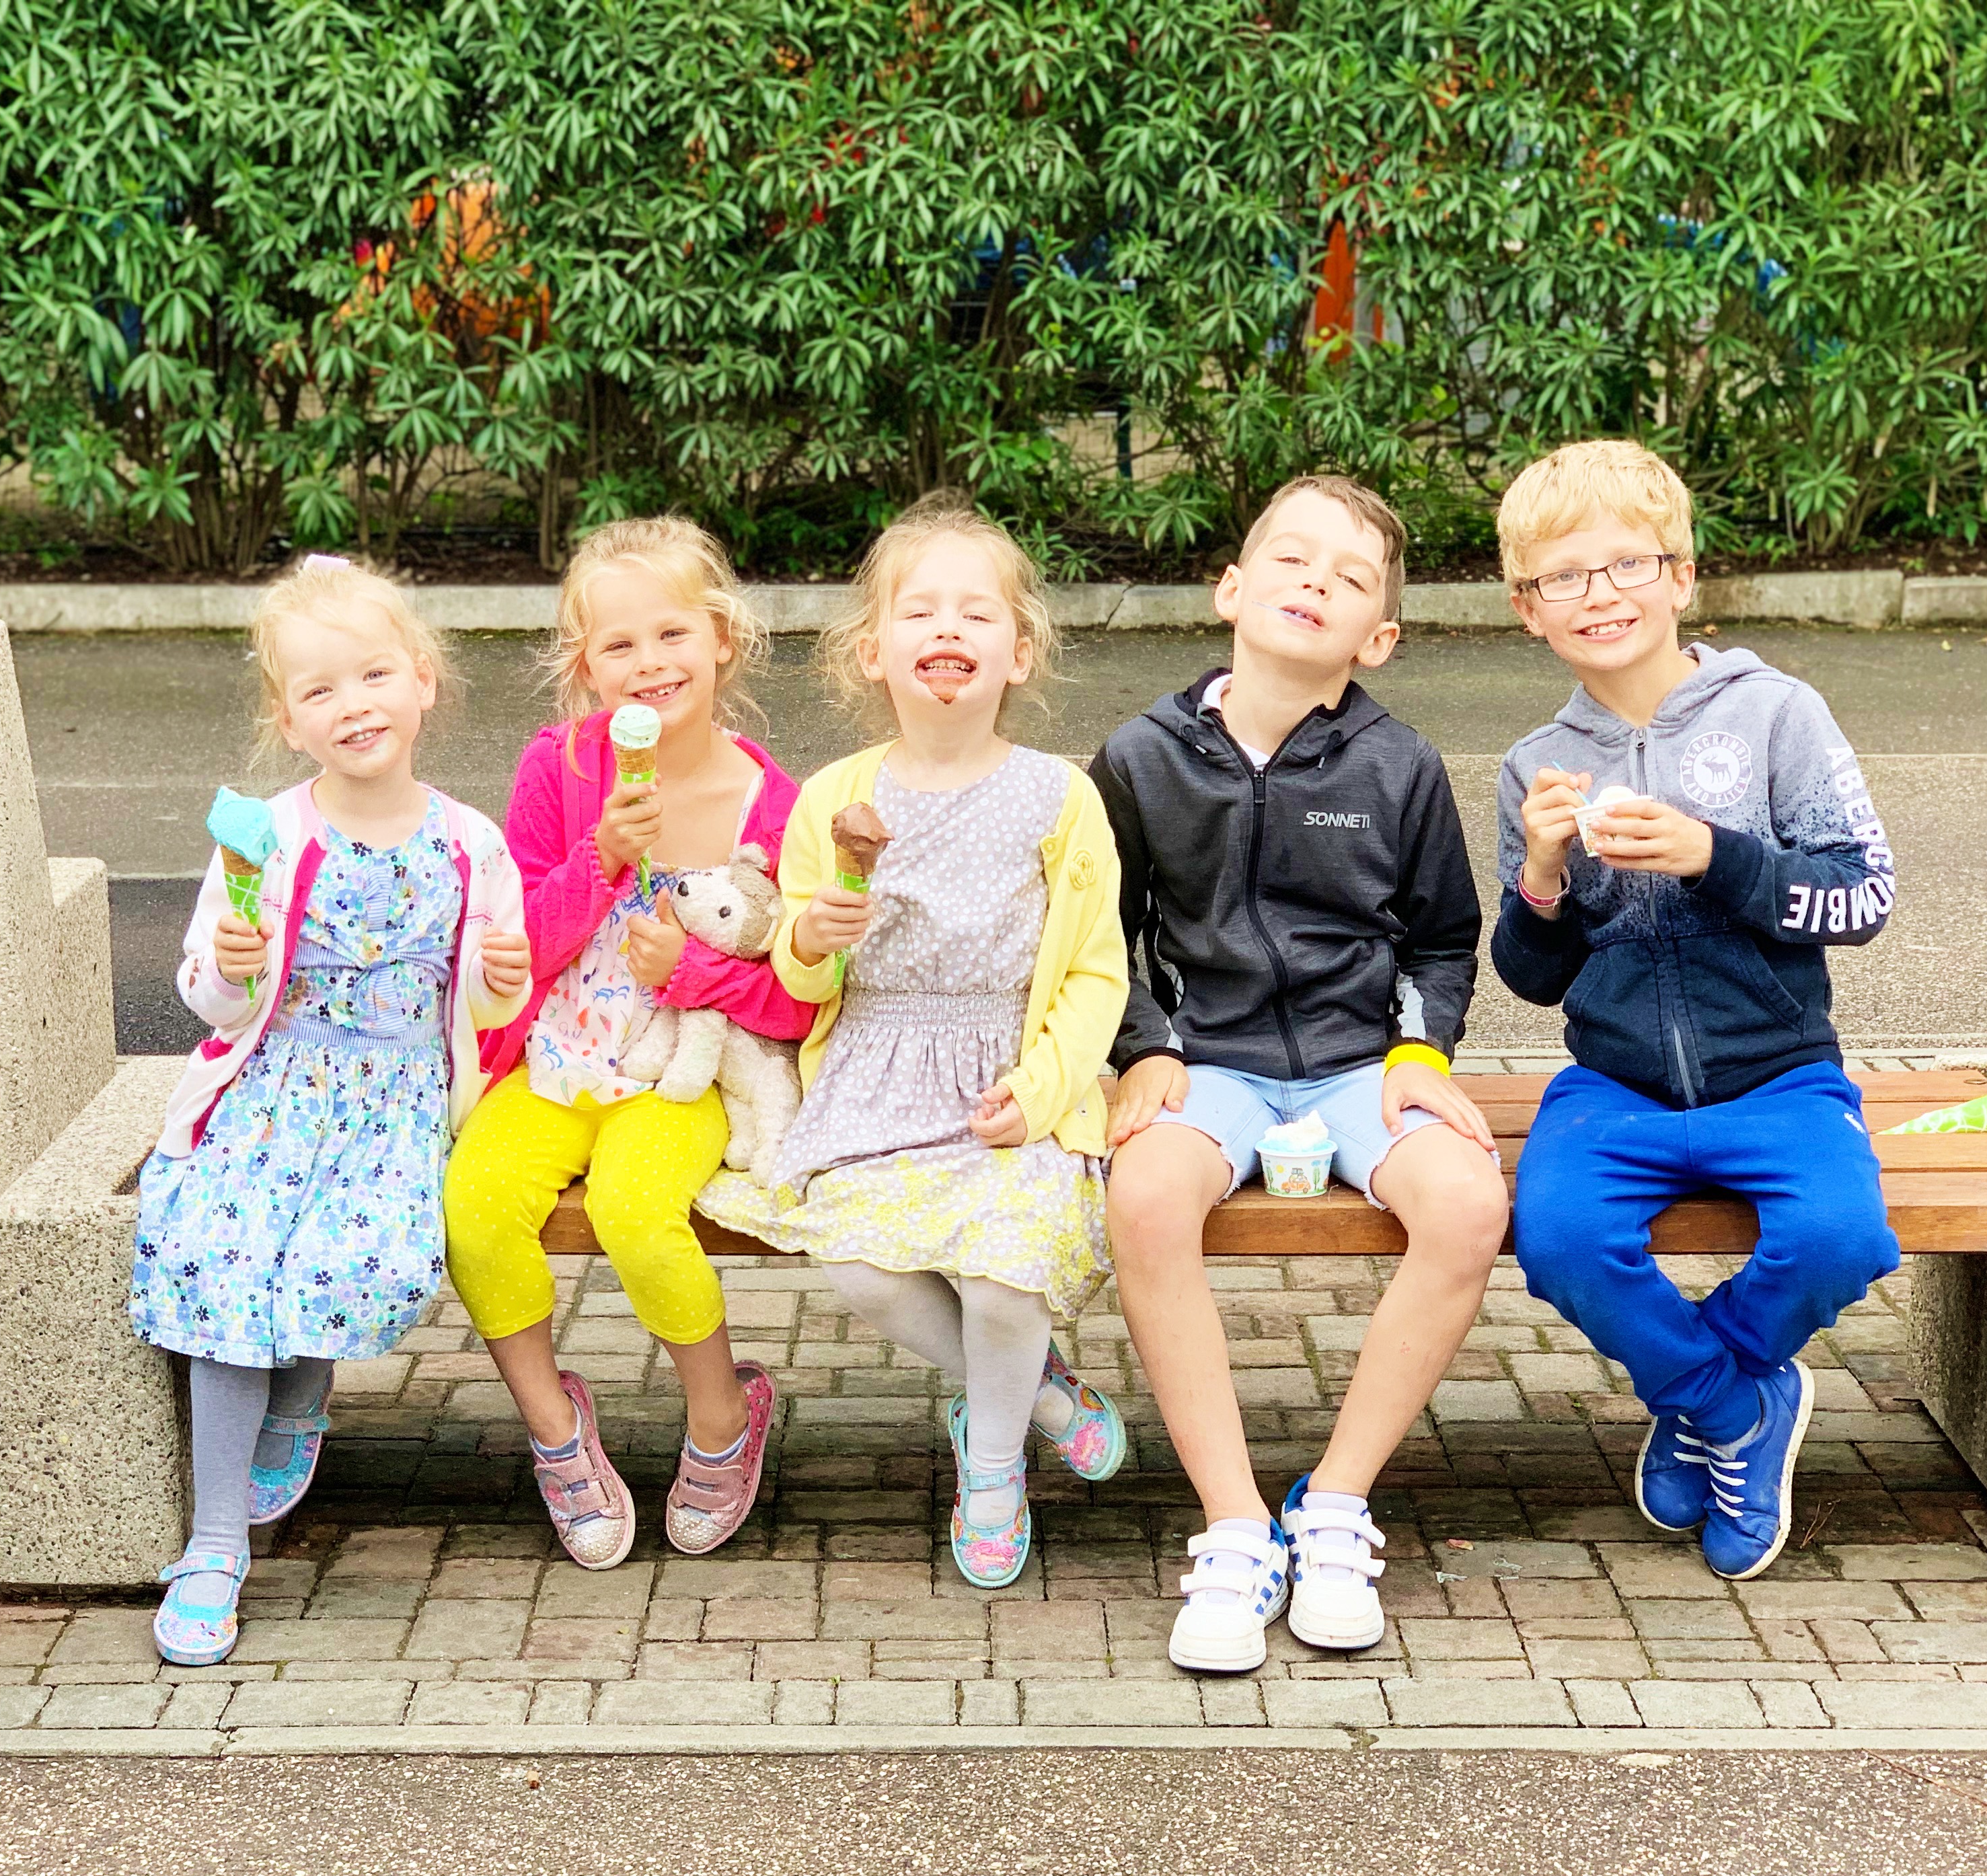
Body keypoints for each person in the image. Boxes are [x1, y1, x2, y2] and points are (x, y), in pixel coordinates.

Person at [1094, 474, 1507, 1672]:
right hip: (1206, 1060)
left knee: (1472, 1202)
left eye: (1349, 575)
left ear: (1378, 635)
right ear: (1231, 587)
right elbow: (1091, 936)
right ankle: (1233, 1528)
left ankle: (1333, 1508)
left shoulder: (1401, 767)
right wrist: (1143, 1047)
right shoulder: (1139, 757)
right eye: (1290, 557)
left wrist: (1422, 1051)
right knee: (1146, 1198)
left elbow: (1439, 938)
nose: (1313, 580)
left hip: (1356, 1067)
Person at [699, 494, 1130, 1588]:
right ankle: (1036, 1394)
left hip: (1008, 1072)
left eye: (977, 614)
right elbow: (801, 974)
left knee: (1000, 1276)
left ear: (1019, 651)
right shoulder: (838, 796)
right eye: (921, 610)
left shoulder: (1060, 797)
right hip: (876, 1068)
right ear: (873, 651)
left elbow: (1093, 971)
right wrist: (813, 934)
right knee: (861, 1265)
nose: (949, 629)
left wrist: (1038, 1092)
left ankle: (990, 1466)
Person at [1492, 438, 1900, 1581]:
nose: (1601, 595)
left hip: (1779, 1070)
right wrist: (1540, 873)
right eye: (1565, 578)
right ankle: (1733, 1407)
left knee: (1840, 1237)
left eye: (1626, 564)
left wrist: (1715, 856)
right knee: (1560, 1239)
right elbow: (1532, 975)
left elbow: (1864, 895)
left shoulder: (1777, 714)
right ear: (1531, 610)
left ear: (1678, 577)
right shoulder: (1536, 763)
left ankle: (1697, 1395)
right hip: (1614, 1082)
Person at [134, 554, 530, 1666]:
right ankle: (214, 1543)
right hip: (277, 1089)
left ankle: (301, 1402)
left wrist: (505, 970)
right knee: (228, 1247)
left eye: (373, 677)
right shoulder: (270, 834)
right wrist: (230, 960)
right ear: (289, 721)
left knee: (351, 1253)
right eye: (320, 692)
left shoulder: (470, 841)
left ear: (423, 683)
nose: (353, 705)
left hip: (397, 1100)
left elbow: (492, 1002)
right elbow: (209, 1005)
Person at [445, 517, 819, 1570]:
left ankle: (721, 1416)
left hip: (681, 1069)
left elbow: (795, 999)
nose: (650, 665)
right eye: (619, 647)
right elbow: (514, 942)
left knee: (635, 1213)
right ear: (583, 668)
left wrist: (688, 972)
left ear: (722, 642)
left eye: (672, 636)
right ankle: (555, 1433)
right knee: (474, 1212)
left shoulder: (772, 801)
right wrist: (603, 858)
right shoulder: (557, 769)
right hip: (558, 1058)